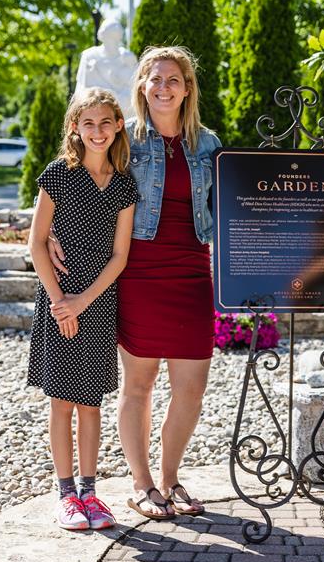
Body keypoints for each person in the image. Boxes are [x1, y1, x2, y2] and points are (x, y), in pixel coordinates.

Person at [49, 46, 221, 520]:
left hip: (191, 273)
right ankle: (142, 483)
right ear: (142, 86)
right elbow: (78, 172)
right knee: (138, 386)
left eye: (173, 80)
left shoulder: (208, 145)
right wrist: (54, 233)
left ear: (187, 88)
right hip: (138, 271)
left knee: (191, 388)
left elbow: (233, 209)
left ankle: (170, 477)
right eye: (154, 79)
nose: (163, 87)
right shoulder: (127, 141)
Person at [27, 88, 139, 530]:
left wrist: (82, 301)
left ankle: (91, 494)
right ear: (75, 126)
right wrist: (60, 301)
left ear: (117, 128)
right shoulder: (58, 174)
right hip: (57, 301)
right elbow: (36, 243)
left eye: (105, 123)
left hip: (97, 301)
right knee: (62, 402)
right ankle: (66, 494)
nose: (97, 131)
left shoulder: (123, 184)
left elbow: (120, 257)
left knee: (89, 402)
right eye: (88, 123)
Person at [75, 19, 139, 119]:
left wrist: (120, 98)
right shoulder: (90, 56)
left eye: (115, 38)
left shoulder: (127, 58)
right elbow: (81, 88)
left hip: (124, 113)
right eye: (110, 37)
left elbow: (135, 89)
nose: (113, 41)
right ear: (102, 36)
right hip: (95, 110)